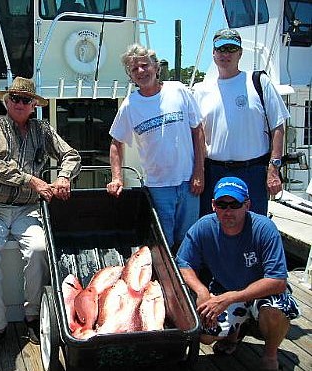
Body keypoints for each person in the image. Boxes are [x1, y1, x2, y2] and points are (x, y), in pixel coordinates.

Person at [0, 76, 81, 356]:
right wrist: (31, 180)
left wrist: (64, 177)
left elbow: (71, 155)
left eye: (26, 100)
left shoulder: (43, 130)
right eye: (15, 99)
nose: (20, 104)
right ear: (6, 102)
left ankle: (32, 316)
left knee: (38, 249)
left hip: (27, 210)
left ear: (34, 105)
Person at [176, 176, 300, 371]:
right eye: (222, 204)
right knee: (205, 335)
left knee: (277, 312)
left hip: (263, 295)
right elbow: (183, 263)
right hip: (224, 290)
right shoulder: (203, 226)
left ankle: (270, 355)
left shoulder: (264, 228)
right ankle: (235, 332)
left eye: (235, 204)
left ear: (247, 205)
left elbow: (277, 281)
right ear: (213, 205)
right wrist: (201, 291)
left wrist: (232, 297)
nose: (228, 210)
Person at [106, 44, 205, 250]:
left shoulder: (178, 90)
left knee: (190, 242)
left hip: (189, 183)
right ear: (130, 76)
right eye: (135, 69)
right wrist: (117, 178)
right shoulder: (130, 105)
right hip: (158, 187)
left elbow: (198, 131)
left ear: (156, 67)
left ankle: (187, 280)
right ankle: (170, 282)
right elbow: (116, 142)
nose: (141, 71)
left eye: (145, 65)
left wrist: (199, 172)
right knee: (164, 245)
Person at [194, 28, 290, 217]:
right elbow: (197, 135)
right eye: (221, 49)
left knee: (254, 229)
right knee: (214, 228)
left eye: (231, 49)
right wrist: (198, 172)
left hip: (252, 173)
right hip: (214, 173)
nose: (225, 54)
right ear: (213, 53)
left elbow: (278, 127)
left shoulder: (259, 82)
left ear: (240, 53)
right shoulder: (201, 90)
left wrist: (274, 168)